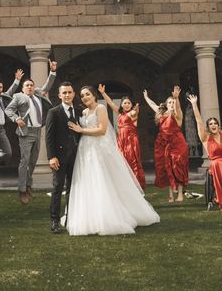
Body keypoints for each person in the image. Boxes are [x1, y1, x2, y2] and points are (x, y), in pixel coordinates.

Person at [66, 86, 159, 235]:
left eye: (88, 94)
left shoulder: (100, 108)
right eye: (82, 95)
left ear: (94, 95)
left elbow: (102, 130)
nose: (85, 97)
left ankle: (109, 216)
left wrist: (81, 130)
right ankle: (90, 215)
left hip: (98, 149)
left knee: (102, 180)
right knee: (88, 181)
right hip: (85, 150)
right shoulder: (83, 112)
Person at [5, 60, 57, 204]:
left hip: (38, 131)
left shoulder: (38, 94)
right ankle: (22, 189)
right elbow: (8, 110)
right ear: (23, 88)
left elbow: (47, 86)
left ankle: (28, 184)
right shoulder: (18, 97)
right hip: (25, 132)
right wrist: (16, 119)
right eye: (27, 85)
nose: (30, 87)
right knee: (25, 161)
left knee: (33, 162)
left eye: (31, 85)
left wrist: (52, 71)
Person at [45, 81, 81, 234]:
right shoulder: (54, 112)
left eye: (69, 92)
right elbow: (49, 137)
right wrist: (51, 157)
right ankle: (54, 221)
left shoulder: (79, 111)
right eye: (64, 93)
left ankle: (71, 217)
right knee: (57, 188)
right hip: (59, 158)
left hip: (77, 157)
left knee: (74, 188)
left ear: (73, 94)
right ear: (59, 95)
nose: (67, 95)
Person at [144, 86, 189, 203]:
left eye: (172, 102)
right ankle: (171, 195)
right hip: (163, 143)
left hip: (177, 143)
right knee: (167, 167)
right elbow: (153, 105)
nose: (171, 104)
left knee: (177, 167)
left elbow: (178, 108)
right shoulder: (161, 114)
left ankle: (180, 194)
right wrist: (146, 97)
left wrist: (176, 98)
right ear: (166, 104)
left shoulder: (178, 115)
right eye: (169, 102)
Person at [98, 84, 146, 189]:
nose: (127, 104)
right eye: (125, 103)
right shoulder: (120, 114)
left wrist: (136, 109)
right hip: (121, 141)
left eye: (129, 103)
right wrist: (103, 93)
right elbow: (110, 102)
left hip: (131, 141)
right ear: (121, 104)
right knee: (122, 162)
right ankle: (125, 185)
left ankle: (136, 186)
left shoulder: (132, 113)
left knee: (132, 162)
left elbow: (135, 112)